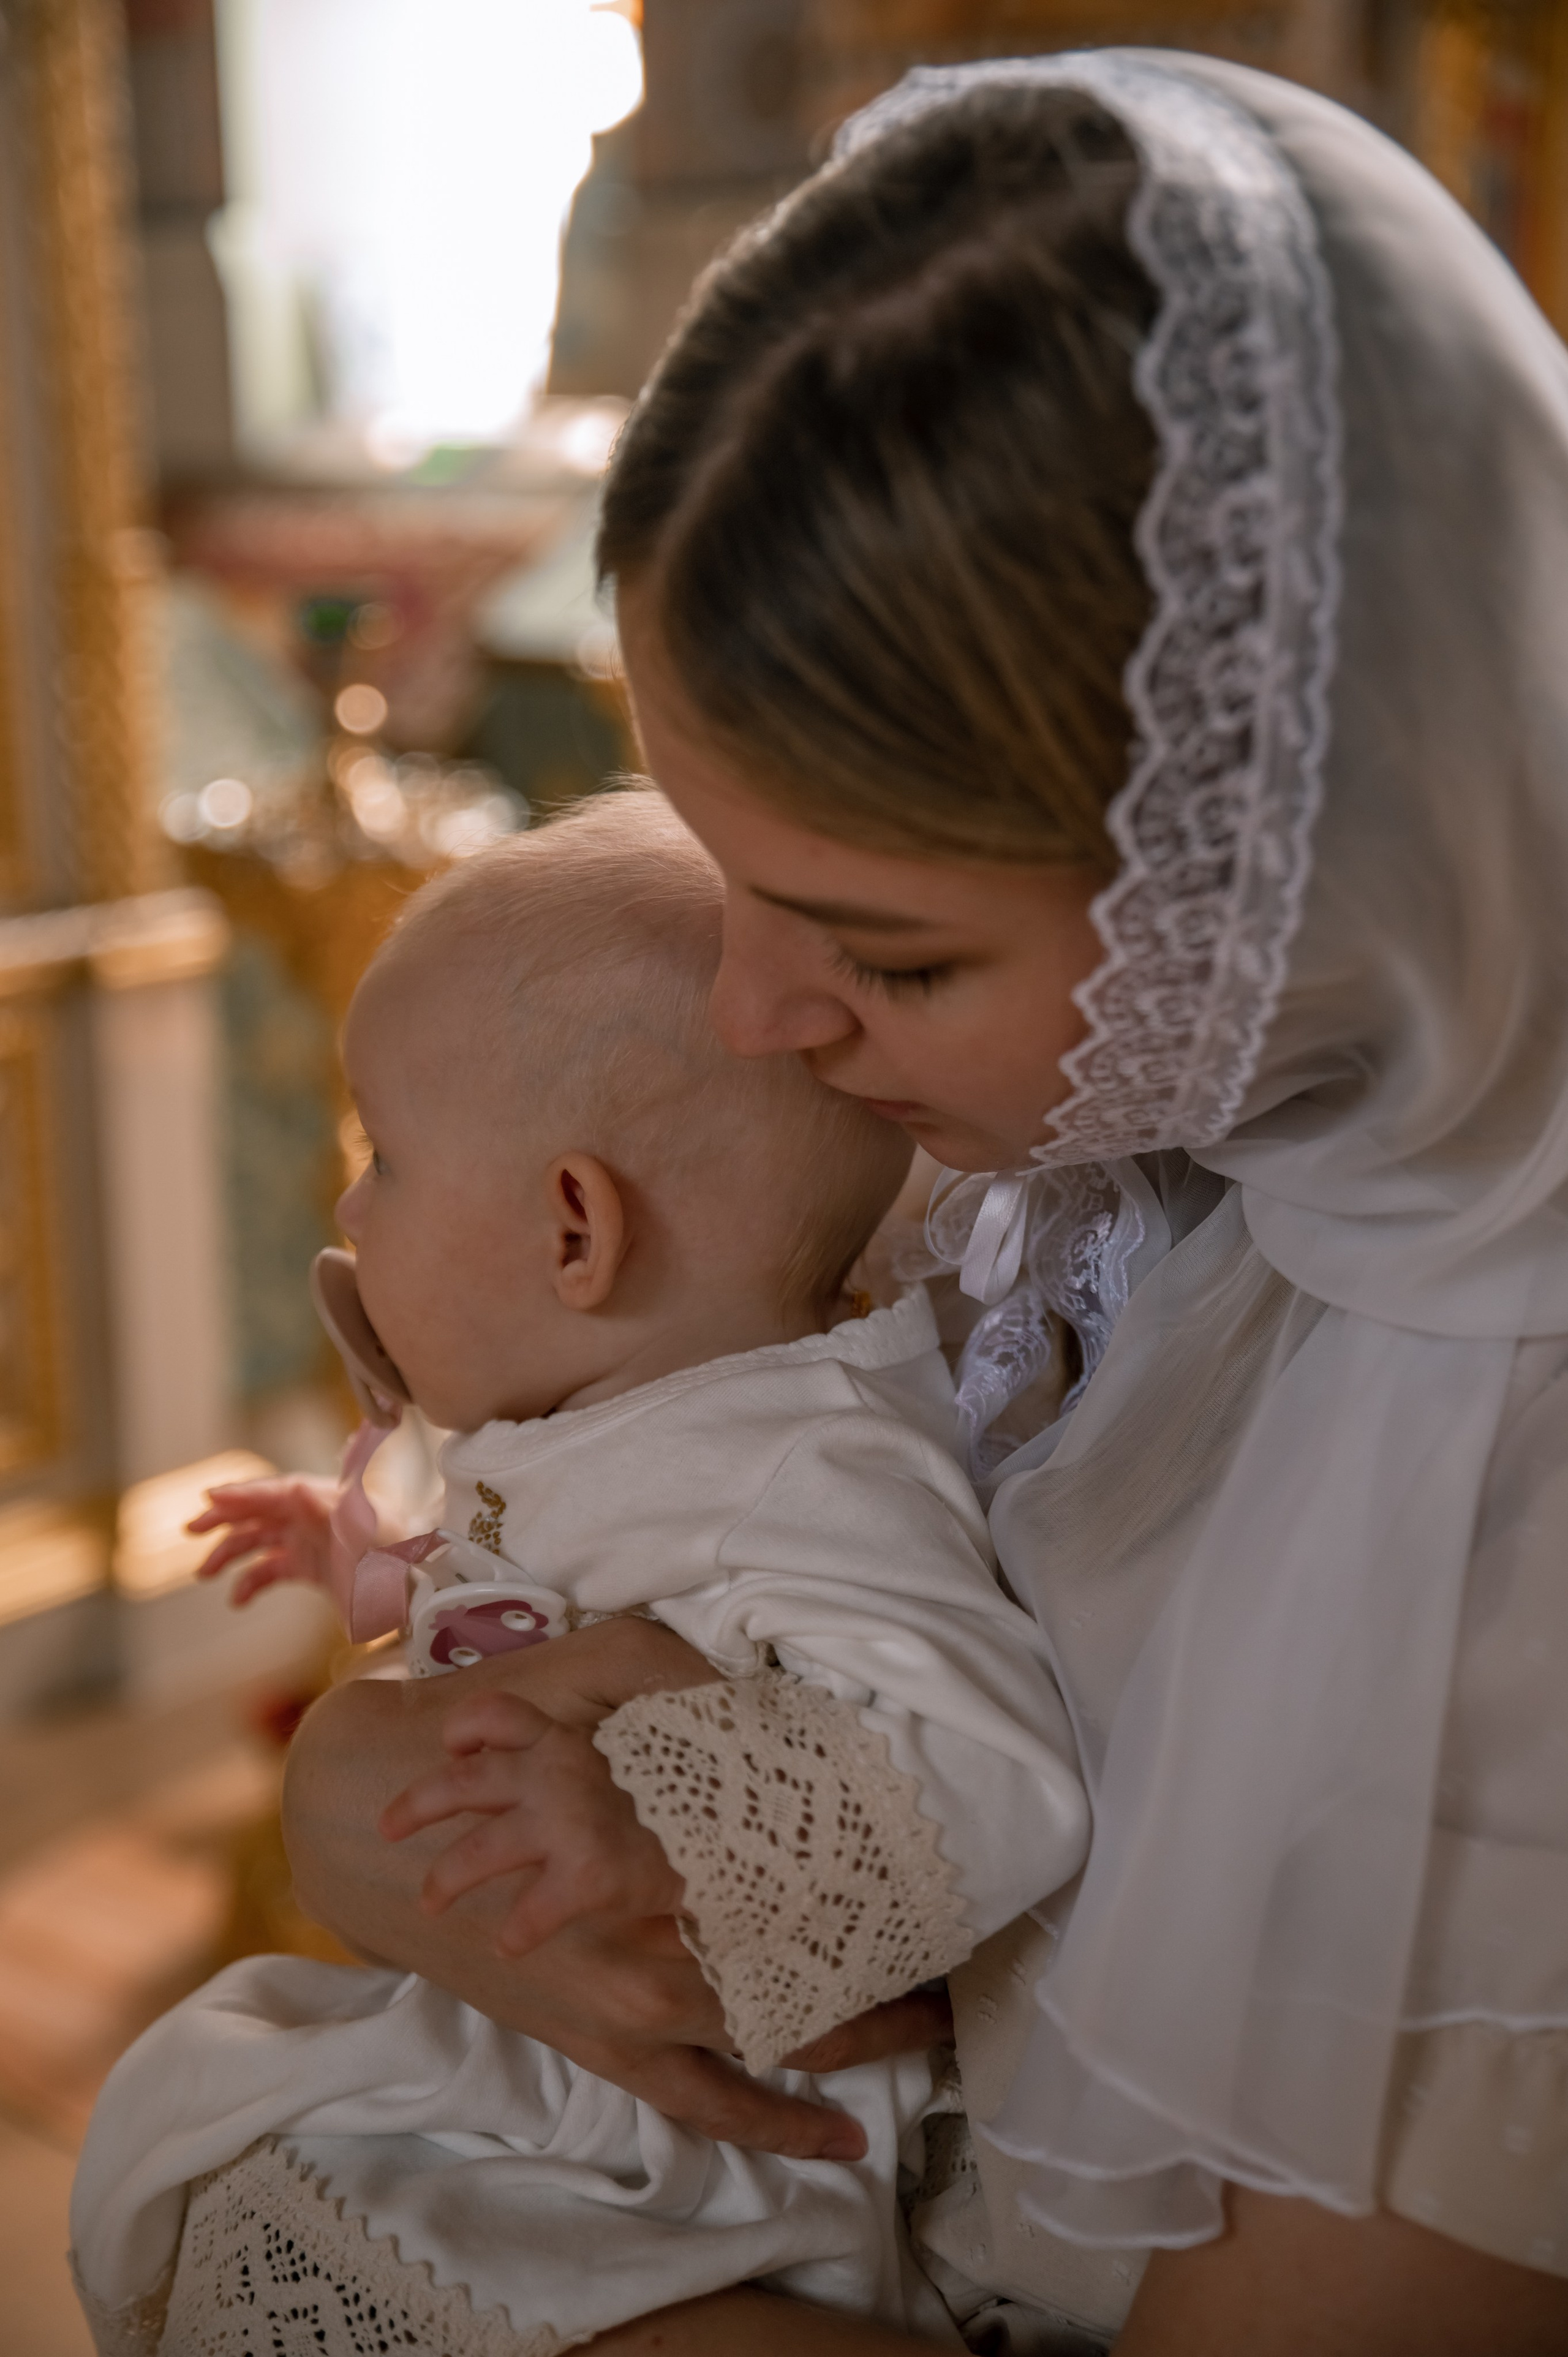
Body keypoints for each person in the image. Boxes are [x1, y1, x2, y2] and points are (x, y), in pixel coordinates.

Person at [165, 45, 1568, 2356]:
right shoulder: (1042, 1168)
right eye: (730, 884)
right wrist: (375, 1815)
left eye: (891, 950)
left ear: (1290, 880)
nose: (747, 1016)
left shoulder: (1507, 1487)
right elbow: (547, 1617)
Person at [69, 793, 1093, 2355]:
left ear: (574, 1229)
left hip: (686, 2148)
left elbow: (985, 1755)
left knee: (275, 2181)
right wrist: (367, 1556)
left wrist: (652, 1812)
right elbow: (531, 1601)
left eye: (381, 1158)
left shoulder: (805, 1460)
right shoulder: (641, 1414)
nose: (349, 1210)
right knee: (232, 2142)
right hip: (549, 2052)